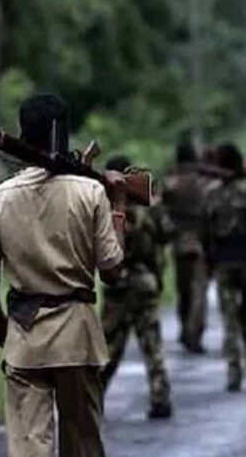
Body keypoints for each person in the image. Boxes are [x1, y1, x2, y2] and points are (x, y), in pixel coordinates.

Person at [0, 93, 127, 457]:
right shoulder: (91, 192)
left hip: (24, 337)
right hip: (77, 338)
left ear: (22, 133)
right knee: (83, 445)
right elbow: (112, 271)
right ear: (63, 133)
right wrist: (119, 203)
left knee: (29, 448)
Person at [100, 155, 173, 419]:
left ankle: (92, 402)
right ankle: (160, 396)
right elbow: (166, 234)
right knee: (152, 343)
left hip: (119, 283)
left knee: (107, 348)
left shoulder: (108, 207)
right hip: (145, 281)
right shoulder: (149, 207)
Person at [202, 143, 246, 391]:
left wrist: (209, 262)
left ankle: (233, 369)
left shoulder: (211, 193)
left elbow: (205, 231)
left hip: (223, 261)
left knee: (229, 318)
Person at [162, 140, 209, 353]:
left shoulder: (171, 182)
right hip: (200, 241)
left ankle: (184, 328)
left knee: (184, 290)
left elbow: (163, 211)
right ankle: (194, 332)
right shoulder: (202, 182)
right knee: (199, 290)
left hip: (179, 241)